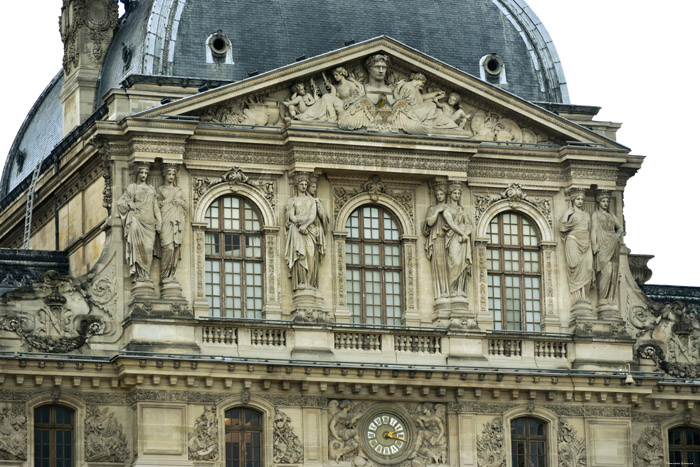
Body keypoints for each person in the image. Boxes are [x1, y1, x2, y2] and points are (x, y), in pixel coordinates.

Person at [117, 164, 161, 282]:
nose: (144, 175)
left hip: (149, 222)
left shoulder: (152, 189)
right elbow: (120, 203)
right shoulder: (132, 188)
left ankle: (146, 273)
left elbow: (155, 207)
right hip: (136, 219)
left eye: (146, 173)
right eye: (142, 173)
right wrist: (129, 203)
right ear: (137, 174)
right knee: (137, 246)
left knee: (148, 248)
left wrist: (159, 221)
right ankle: (140, 275)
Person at [285, 174, 323, 290]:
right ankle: (301, 281)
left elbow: (312, 215)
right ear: (297, 185)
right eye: (302, 184)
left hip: (309, 230)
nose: (304, 186)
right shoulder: (292, 201)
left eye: (306, 184)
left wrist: (305, 225)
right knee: (300, 255)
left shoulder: (312, 200)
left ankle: (310, 282)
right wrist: (298, 224)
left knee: (310, 255)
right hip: (297, 230)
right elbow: (291, 215)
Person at [559, 191, 593, 303]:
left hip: (586, 244)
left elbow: (591, 230)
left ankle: (585, 296)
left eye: (582, 199)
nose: (580, 201)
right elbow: (562, 227)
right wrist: (567, 214)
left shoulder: (587, 215)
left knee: (588, 269)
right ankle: (578, 298)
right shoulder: (570, 213)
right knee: (574, 268)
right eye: (578, 199)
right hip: (573, 241)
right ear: (573, 200)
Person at [591, 191, 623, 305]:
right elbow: (594, 229)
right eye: (603, 201)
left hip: (612, 244)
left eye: (607, 201)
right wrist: (594, 243)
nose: (605, 203)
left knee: (613, 271)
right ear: (599, 202)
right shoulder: (596, 214)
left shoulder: (612, 215)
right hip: (602, 244)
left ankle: (610, 296)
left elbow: (620, 228)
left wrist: (616, 236)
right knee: (606, 271)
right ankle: (602, 297)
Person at [157, 165, 186, 284]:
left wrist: (180, 203)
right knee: (167, 247)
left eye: (173, 175)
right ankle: (164, 275)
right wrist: (162, 203)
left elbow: (186, 207)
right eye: (169, 174)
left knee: (174, 248)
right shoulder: (160, 189)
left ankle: (172, 274)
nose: (171, 177)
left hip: (176, 221)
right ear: (164, 174)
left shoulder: (178, 191)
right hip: (165, 220)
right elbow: (155, 205)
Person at [442, 183, 472, 296]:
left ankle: (460, 290)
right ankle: (452, 289)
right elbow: (451, 223)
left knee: (462, 264)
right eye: (455, 193)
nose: (457, 195)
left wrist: (466, 233)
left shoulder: (462, 209)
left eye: (459, 193)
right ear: (450, 194)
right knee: (455, 262)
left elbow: (469, 224)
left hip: (462, 239)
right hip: (453, 238)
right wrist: (462, 233)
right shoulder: (446, 209)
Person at [424, 185, 450, 299]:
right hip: (437, 240)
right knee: (438, 267)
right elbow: (429, 223)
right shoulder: (432, 208)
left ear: (445, 195)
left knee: (448, 267)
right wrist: (437, 212)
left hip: (448, 241)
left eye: (441, 194)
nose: (439, 196)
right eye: (438, 194)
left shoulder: (450, 208)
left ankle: (447, 291)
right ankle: (440, 293)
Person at [307, 175, 329, 288]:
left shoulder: (316, 202)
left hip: (314, 231)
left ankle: (312, 282)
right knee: (309, 257)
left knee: (313, 258)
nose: (315, 189)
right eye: (313, 187)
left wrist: (318, 207)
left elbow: (324, 219)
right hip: (308, 233)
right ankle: (308, 282)